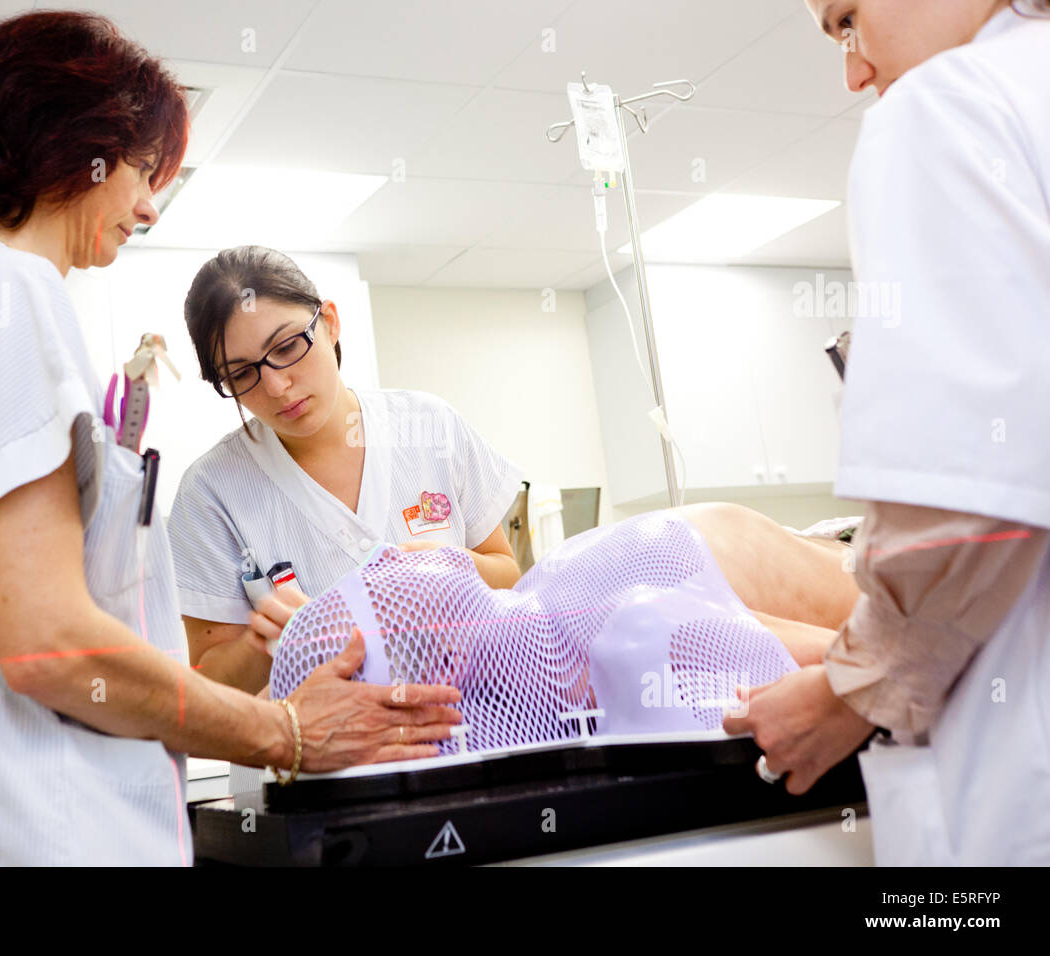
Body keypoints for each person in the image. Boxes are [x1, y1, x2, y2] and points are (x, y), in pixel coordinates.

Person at [0, 11, 461, 866]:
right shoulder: (2, 289)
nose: (149, 204)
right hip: (16, 838)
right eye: (138, 168)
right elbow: (51, 643)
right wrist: (283, 730)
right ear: (71, 142)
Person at [724, 0, 1050, 865]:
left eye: (847, 20)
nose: (853, 71)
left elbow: (969, 501)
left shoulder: (947, 104)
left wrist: (848, 691)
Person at [169, 246, 524, 695]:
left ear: (330, 323)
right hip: (311, 759)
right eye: (241, 374)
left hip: (464, 733)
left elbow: (509, 575)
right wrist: (271, 640)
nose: (277, 386)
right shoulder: (210, 493)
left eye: (287, 346)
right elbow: (209, 682)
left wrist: (446, 571)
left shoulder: (428, 425)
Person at [266, 503, 864, 750]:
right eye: (377, 587)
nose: (387, 557)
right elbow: (872, 659)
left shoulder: (539, 626)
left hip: (824, 551)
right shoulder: (632, 634)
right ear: (443, 665)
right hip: (859, 573)